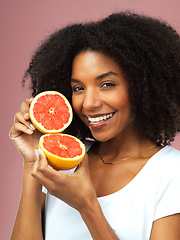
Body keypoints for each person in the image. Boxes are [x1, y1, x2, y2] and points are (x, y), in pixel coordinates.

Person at [9, 11, 180, 240]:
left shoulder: (171, 173)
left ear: (143, 86)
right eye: (78, 88)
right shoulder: (62, 162)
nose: (88, 104)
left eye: (107, 84)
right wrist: (33, 160)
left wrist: (87, 206)